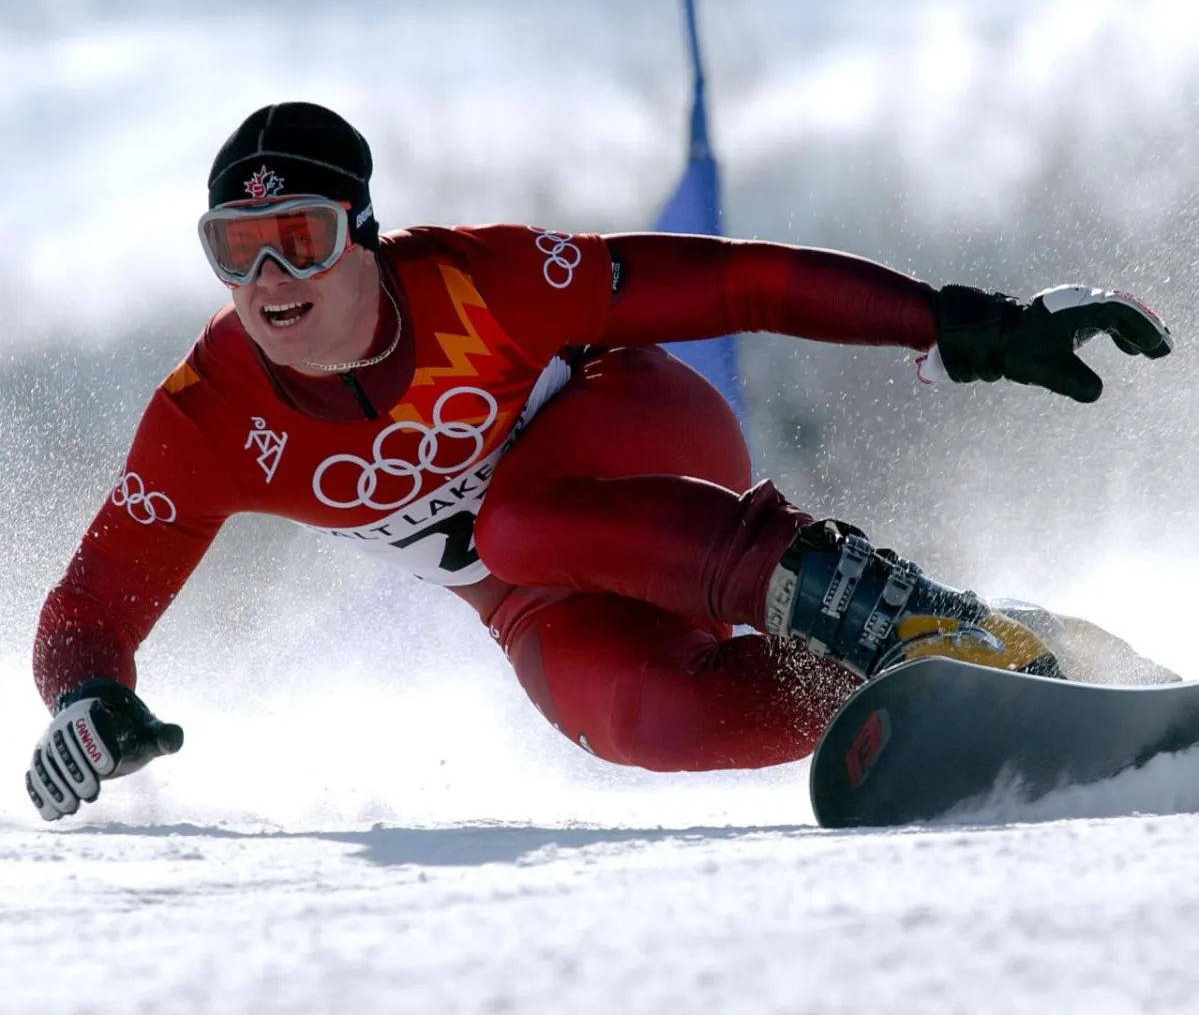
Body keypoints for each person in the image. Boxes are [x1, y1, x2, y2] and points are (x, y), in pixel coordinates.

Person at [25, 102, 1174, 822]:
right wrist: (87, 699)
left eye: (302, 241)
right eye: (237, 250)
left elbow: (739, 282)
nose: (271, 281)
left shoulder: (484, 281)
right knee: (640, 719)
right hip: (527, 588)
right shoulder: (208, 416)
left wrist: (962, 322)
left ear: (364, 234)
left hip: (642, 443)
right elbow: (93, 599)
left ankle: (900, 616)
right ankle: (940, 668)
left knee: (518, 519)